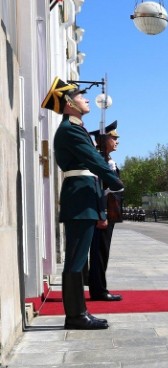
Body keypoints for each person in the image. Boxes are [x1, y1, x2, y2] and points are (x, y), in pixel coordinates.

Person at [41, 77, 123, 330]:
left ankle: (80, 312)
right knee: (76, 261)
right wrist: (114, 180)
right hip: (79, 199)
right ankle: (75, 316)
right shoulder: (70, 129)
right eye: (80, 96)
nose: (86, 99)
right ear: (69, 102)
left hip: (84, 197)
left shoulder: (76, 128)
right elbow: (92, 160)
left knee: (77, 260)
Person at [87, 120, 124, 302]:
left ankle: (99, 287)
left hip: (109, 211)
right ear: (103, 139)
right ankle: (98, 290)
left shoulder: (108, 161)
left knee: (103, 250)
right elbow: (97, 190)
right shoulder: (99, 161)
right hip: (102, 211)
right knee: (99, 251)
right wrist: (101, 213)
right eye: (113, 137)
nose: (117, 141)